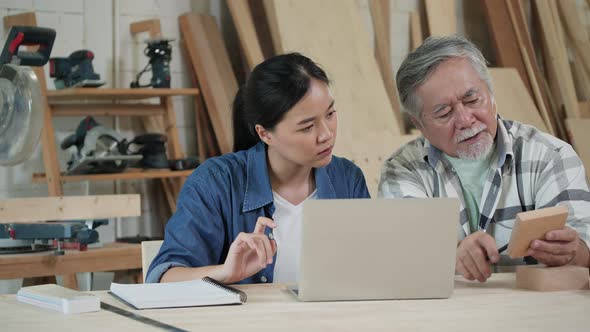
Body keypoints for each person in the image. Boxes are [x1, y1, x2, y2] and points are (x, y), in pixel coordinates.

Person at [379, 35, 590, 282]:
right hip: (442, 317)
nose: (466, 120)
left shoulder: (549, 156)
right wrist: (453, 255)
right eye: (444, 112)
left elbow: (584, 248)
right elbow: (404, 255)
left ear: (491, 94)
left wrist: (574, 252)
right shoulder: (403, 170)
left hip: (535, 312)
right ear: (419, 124)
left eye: (472, 100)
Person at [146, 53, 370, 284]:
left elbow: (372, 268)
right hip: (243, 321)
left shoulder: (348, 179)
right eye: (307, 127)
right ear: (265, 134)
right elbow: (163, 280)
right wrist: (225, 272)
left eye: (330, 114)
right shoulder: (215, 182)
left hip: (331, 321)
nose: (326, 134)